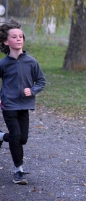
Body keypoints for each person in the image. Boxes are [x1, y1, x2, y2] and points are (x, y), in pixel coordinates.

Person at [0, 19, 46, 185]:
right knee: (17, 136)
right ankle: (18, 170)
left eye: (21, 36)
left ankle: (1, 136)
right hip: (8, 104)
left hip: (25, 105)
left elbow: (41, 81)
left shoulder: (31, 62)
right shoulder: (3, 64)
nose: (19, 39)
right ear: (6, 41)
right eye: (14, 36)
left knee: (22, 138)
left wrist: (32, 90)